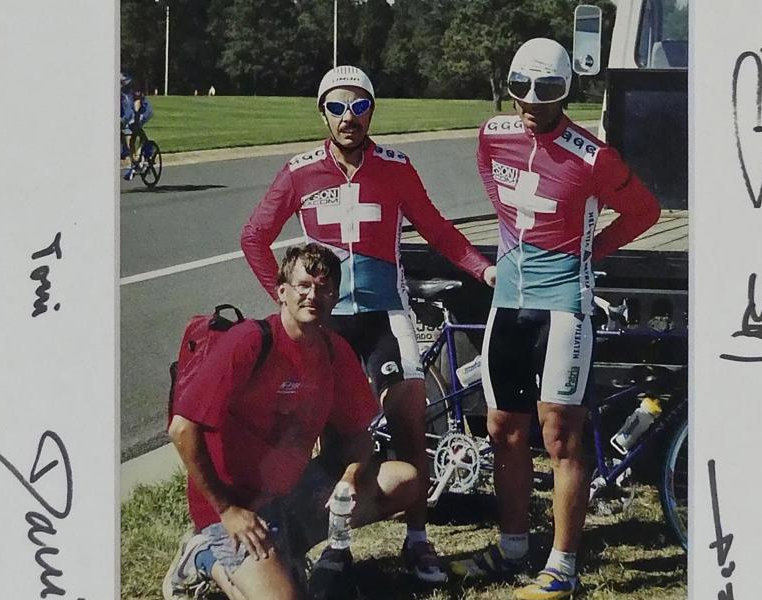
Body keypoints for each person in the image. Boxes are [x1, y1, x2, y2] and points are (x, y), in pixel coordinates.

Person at [241, 65, 497, 585]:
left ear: (372, 110)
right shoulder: (299, 171)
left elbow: (438, 230)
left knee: (409, 425)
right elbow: (254, 236)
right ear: (323, 113)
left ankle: (419, 539)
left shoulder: (397, 168)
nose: (348, 117)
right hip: (325, 323)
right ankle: (332, 544)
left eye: (359, 106)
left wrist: (483, 268)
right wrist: (286, 298)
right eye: (337, 107)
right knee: (327, 439)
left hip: (384, 314)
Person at [450, 38, 661, 599]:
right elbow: (498, 196)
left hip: (563, 307)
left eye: (547, 90)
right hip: (508, 304)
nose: (530, 101)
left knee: (560, 434)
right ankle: (513, 545)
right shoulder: (492, 135)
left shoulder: (595, 157)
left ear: (567, 91)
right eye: (520, 87)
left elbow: (645, 211)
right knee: (503, 428)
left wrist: (593, 252)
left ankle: (562, 564)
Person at [162, 243, 421, 600]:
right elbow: (182, 428)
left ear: (335, 296)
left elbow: (358, 436)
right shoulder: (250, 342)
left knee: (403, 480)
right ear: (282, 292)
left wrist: (348, 477)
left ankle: (286, 551)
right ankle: (203, 555)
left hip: (288, 494)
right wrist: (227, 509)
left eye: (324, 288)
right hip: (233, 507)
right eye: (303, 285)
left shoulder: (334, 351)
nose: (313, 295)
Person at [122, 78, 155, 180]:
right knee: (131, 140)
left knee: (135, 133)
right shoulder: (126, 96)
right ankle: (136, 161)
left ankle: (144, 153)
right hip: (133, 117)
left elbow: (140, 107)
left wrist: (136, 118)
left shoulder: (136, 94)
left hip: (143, 114)